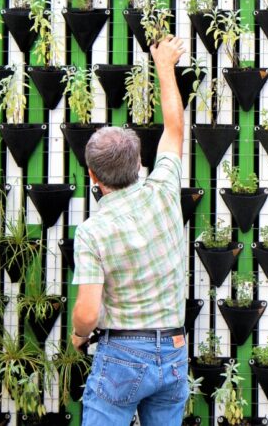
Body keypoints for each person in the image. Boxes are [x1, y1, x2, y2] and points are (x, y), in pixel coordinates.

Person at [71, 35, 189, 425]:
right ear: (140, 162)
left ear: (92, 175)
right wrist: (164, 67)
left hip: (122, 353)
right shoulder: (164, 190)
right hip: (173, 349)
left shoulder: (92, 231)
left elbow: (87, 314)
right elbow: (174, 127)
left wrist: (77, 335)